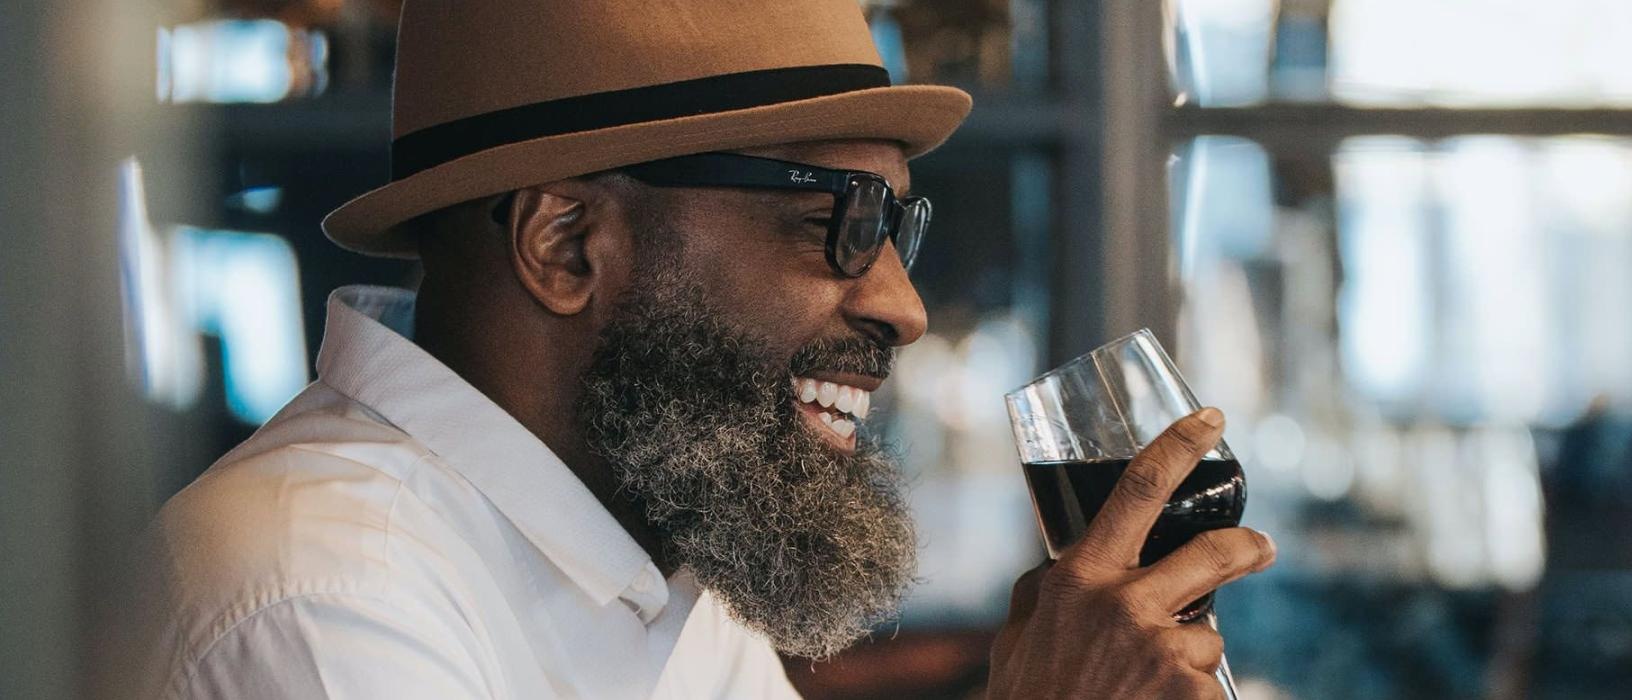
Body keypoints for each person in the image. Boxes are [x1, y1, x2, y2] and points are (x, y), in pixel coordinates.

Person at [117, 1, 1277, 698]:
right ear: (567, 241)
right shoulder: (320, 593)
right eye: (841, 219)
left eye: (898, 225)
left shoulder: (651, 563)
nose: (904, 305)